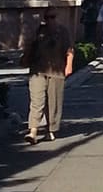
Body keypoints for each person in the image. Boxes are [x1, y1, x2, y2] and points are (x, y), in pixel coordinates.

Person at [21, 8, 73, 144]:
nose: (51, 20)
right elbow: (29, 48)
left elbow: (69, 50)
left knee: (53, 102)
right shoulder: (38, 31)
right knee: (37, 101)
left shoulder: (63, 32)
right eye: (48, 17)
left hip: (56, 71)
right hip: (38, 70)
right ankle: (33, 131)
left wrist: (69, 66)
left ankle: (51, 130)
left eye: (53, 17)